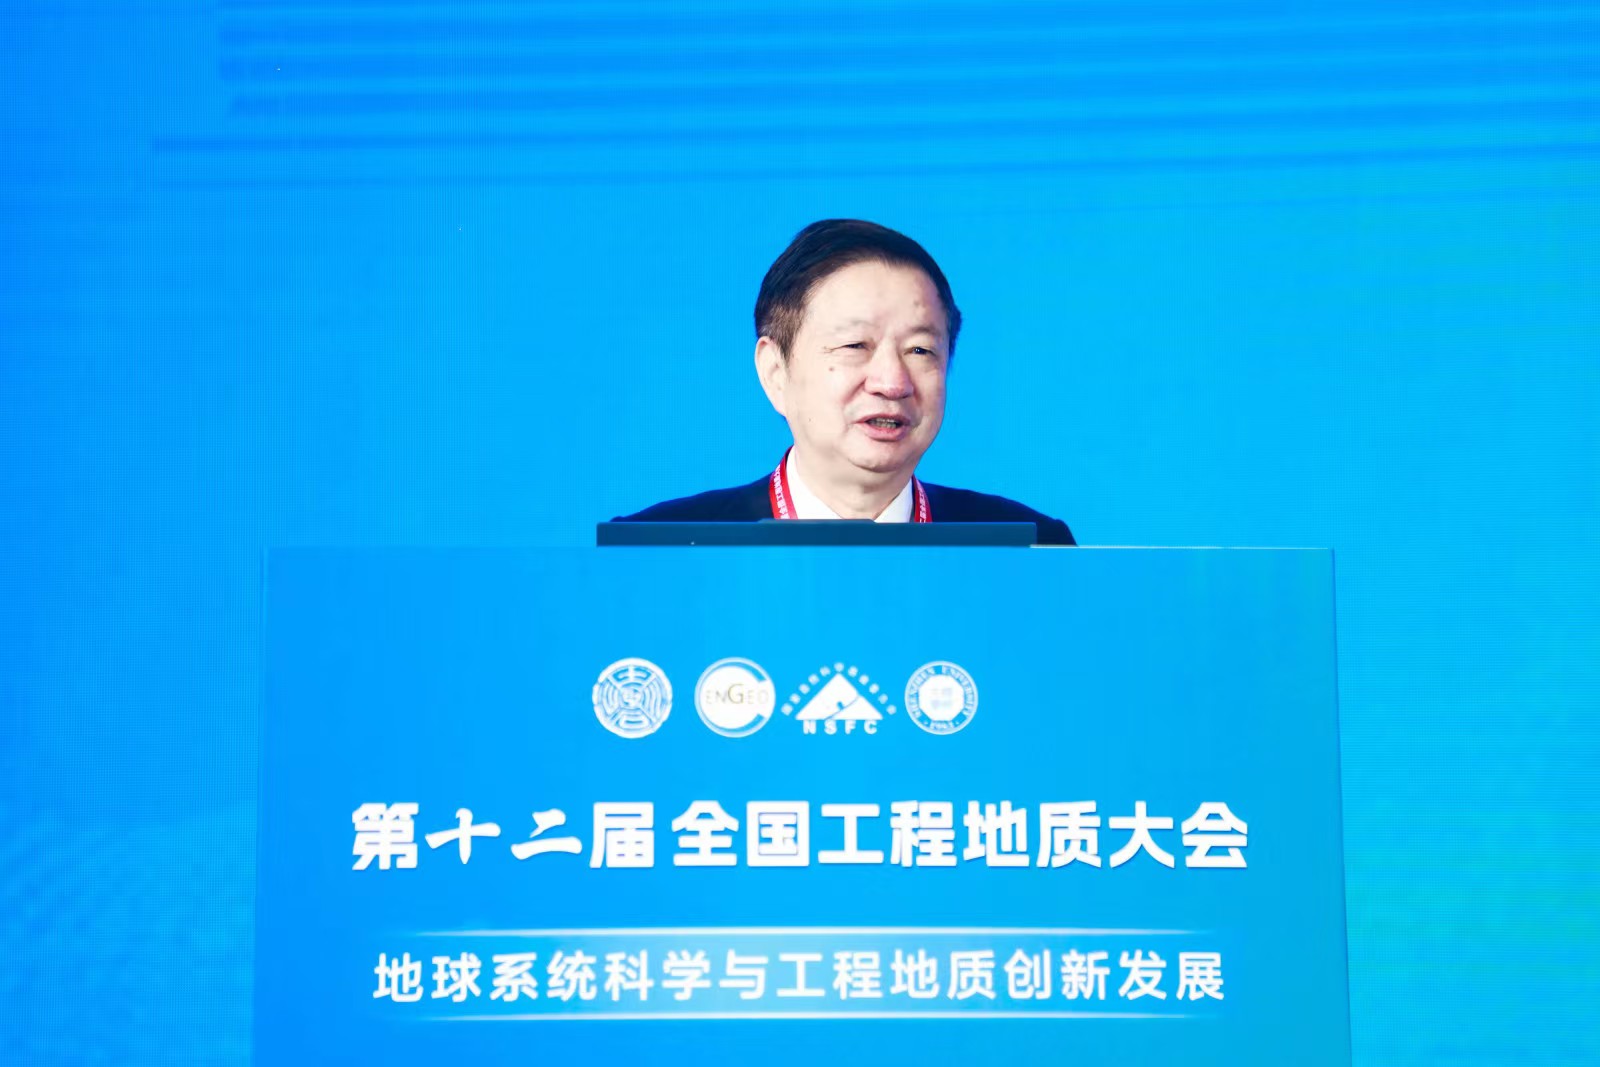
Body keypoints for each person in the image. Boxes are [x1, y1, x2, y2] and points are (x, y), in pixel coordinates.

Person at [614, 219, 1076, 544]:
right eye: (855, 345)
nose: (892, 382)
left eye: (920, 350)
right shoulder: (658, 553)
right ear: (775, 372)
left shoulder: (1030, 551)